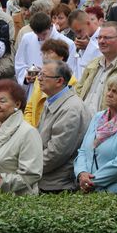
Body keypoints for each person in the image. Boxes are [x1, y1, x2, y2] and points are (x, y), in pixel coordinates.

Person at [75, 75, 117, 194]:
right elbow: (83, 151)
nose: (109, 94)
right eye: (109, 90)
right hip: (91, 190)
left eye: (116, 92)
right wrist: (81, 173)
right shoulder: (98, 117)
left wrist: (91, 182)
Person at [35, 59, 89, 193]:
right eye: (39, 74)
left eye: (44, 76)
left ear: (59, 81)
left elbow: (56, 152)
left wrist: (29, 168)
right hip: (46, 178)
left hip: (58, 184)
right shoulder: (52, 100)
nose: (39, 79)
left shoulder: (71, 109)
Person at [76, 21, 117, 114]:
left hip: (109, 124)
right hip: (83, 122)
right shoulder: (93, 63)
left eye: (107, 38)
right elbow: (78, 91)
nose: (101, 41)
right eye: (99, 37)